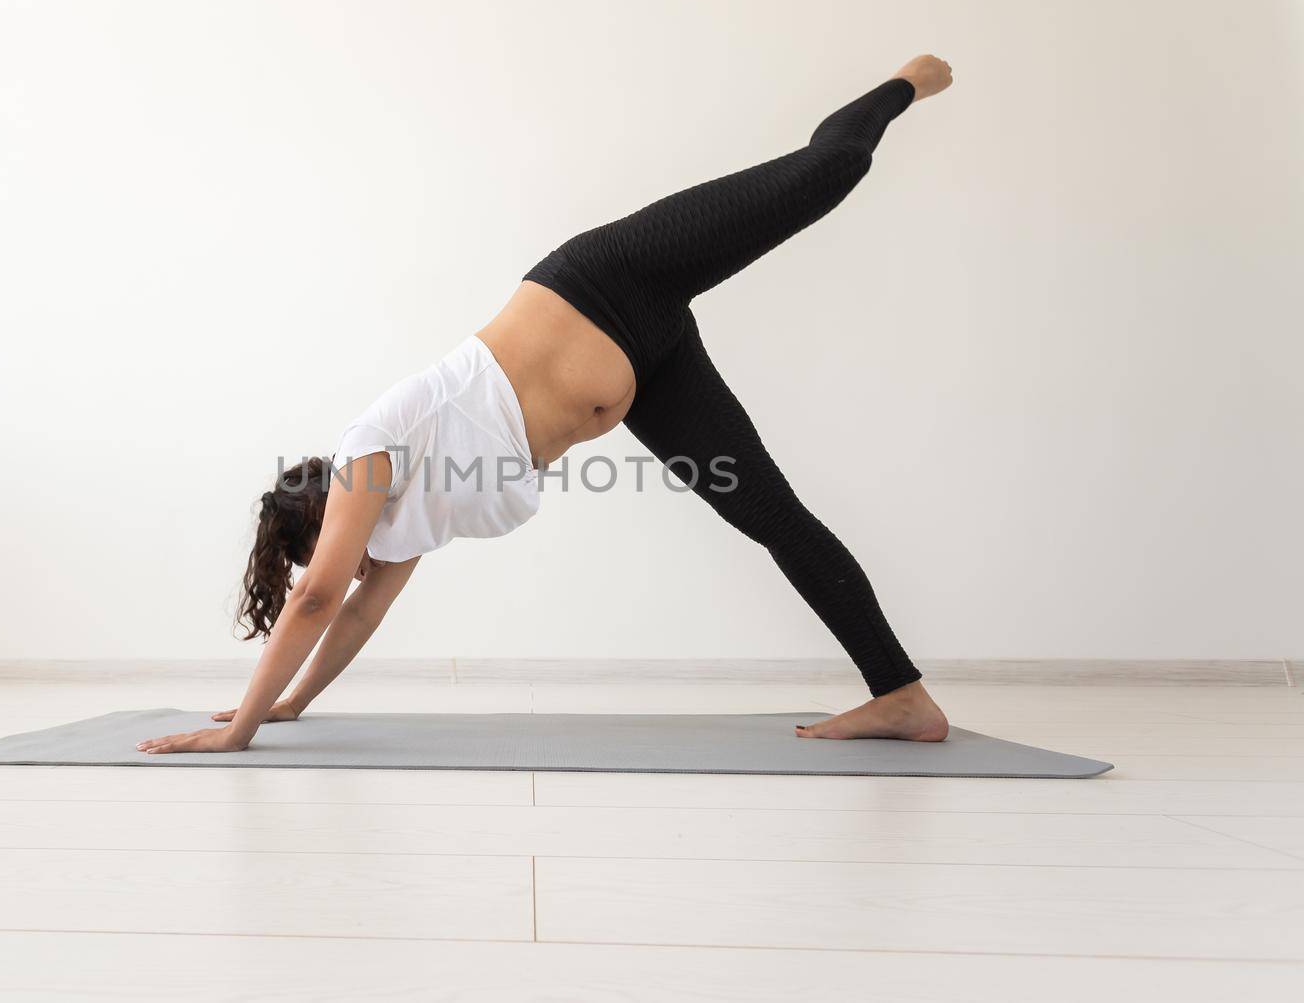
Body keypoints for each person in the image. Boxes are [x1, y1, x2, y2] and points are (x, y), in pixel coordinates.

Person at [138, 55, 955, 755]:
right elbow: (351, 616)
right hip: (651, 366)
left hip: (612, 277)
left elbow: (320, 598)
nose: (335, 567)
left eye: (317, 549)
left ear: (323, 511)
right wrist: (289, 706)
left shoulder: (368, 455)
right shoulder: (399, 529)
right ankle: (903, 696)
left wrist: (237, 729)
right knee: (773, 515)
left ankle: (902, 82)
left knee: (825, 174)